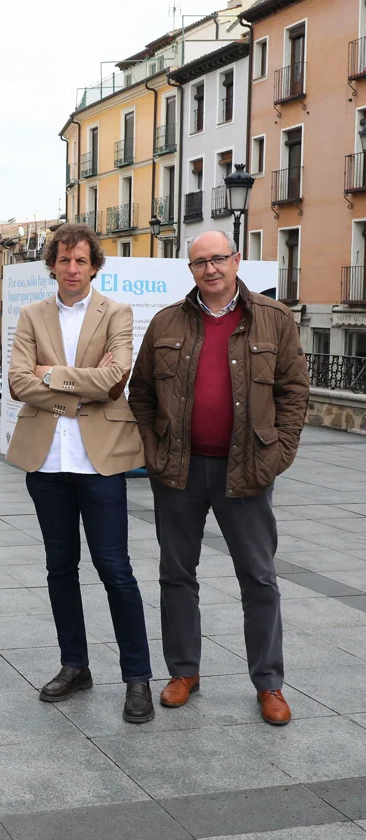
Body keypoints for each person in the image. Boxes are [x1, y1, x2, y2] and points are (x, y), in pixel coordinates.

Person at [128, 229, 310, 726]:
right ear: (190, 270)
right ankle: (184, 672)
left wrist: (279, 454)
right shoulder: (167, 321)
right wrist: (153, 449)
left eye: (219, 259)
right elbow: (140, 392)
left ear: (237, 261)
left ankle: (269, 683)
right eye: (199, 262)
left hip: (248, 470)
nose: (210, 269)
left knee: (259, 577)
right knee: (176, 575)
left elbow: (294, 392)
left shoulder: (273, 320)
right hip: (179, 470)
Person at [6, 222, 154, 724]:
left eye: (81, 261)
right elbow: (19, 384)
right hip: (46, 463)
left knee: (115, 569)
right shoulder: (31, 314)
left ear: (94, 266)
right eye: (64, 260)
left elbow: (115, 380)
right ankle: (75, 665)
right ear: (52, 264)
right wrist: (79, 383)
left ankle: (137, 678)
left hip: (100, 460)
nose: (72, 269)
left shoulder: (118, 312)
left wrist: (53, 374)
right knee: (59, 568)